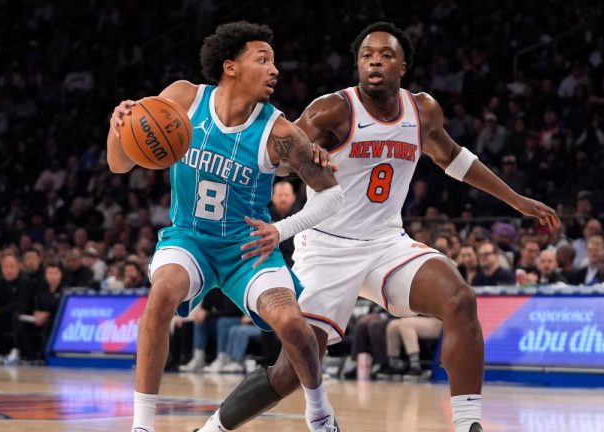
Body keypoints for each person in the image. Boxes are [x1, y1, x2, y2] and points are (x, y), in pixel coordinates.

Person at [198, 22, 559, 432]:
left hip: (387, 244)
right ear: (357, 64)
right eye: (367, 55)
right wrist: (304, 157)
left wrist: (517, 200)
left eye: (386, 55)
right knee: (290, 371)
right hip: (327, 248)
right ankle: (212, 429)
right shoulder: (331, 109)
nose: (375, 61)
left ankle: (468, 424)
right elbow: (278, 160)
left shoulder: (422, 110)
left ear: (402, 65)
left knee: (459, 298)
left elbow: (455, 160)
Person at [107, 21, 344, 432]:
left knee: (291, 324)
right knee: (162, 294)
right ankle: (141, 426)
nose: (275, 70)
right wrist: (119, 127)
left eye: (275, 62)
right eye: (263, 59)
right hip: (189, 238)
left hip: (247, 247)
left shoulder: (280, 132)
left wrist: (282, 229)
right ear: (230, 66)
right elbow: (119, 163)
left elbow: (333, 194)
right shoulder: (182, 98)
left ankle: (320, 411)